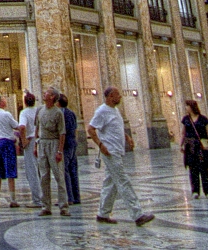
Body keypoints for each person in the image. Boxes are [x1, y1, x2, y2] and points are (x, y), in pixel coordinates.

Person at [87, 87, 153, 227]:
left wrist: (127, 137)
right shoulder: (102, 111)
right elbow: (91, 129)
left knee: (110, 183)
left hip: (117, 150)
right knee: (123, 181)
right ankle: (137, 214)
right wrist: (100, 145)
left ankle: (102, 214)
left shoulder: (115, 111)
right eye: (118, 95)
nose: (120, 97)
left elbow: (115, 127)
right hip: (110, 152)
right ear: (111, 96)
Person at [32, 87, 68, 217]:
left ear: (52, 97)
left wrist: (60, 151)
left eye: (46, 92)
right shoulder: (40, 110)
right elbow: (37, 127)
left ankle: (64, 206)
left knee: (59, 175)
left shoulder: (58, 112)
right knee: (44, 176)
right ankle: (46, 206)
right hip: (42, 143)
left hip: (54, 143)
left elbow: (62, 133)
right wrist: (36, 145)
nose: (44, 93)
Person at [0, 94, 21, 208]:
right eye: (4, 99)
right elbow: (16, 126)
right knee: (10, 171)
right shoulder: (6, 114)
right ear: (1, 103)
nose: (6, 100)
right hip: (7, 143)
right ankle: (13, 199)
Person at [180, 100, 208, 201]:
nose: (186, 108)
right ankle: (195, 191)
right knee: (192, 169)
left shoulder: (203, 119)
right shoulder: (185, 119)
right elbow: (183, 133)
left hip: (201, 147)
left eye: (187, 106)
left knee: (203, 169)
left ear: (192, 107)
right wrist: (181, 145)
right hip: (190, 147)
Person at [17, 92, 44, 209]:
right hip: (40, 140)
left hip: (30, 140)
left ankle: (37, 200)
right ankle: (45, 197)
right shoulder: (39, 110)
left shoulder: (24, 113)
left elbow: (22, 127)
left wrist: (23, 141)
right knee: (42, 170)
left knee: (32, 171)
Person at [58, 93, 80, 207]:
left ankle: (68, 197)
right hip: (72, 144)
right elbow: (75, 128)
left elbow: (62, 131)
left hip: (65, 145)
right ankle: (76, 197)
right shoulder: (71, 113)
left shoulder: (60, 114)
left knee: (64, 170)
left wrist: (59, 149)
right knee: (73, 171)